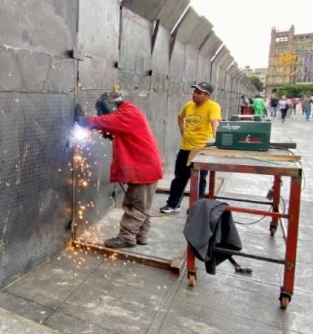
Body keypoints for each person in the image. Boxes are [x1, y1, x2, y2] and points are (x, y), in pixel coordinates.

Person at [76, 90, 163, 249]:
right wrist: (112, 134)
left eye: (104, 112)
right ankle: (141, 236)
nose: (104, 116)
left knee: (135, 205)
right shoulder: (128, 111)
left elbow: (104, 121)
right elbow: (116, 127)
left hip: (144, 168)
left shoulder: (126, 115)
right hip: (146, 166)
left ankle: (126, 237)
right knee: (142, 204)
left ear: (111, 106)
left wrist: (84, 121)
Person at [159, 82, 222, 214]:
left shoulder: (213, 107)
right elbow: (180, 118)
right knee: (179, 178)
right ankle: (173, 204)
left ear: (207, 95)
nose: (194, 95)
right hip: (185, 148)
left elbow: (214, 124)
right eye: (194, 92)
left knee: (199, 180)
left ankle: (196, 208)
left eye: (199, 93)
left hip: (201, 150)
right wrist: (183, 132)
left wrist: (216, 143)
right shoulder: (188, 105)